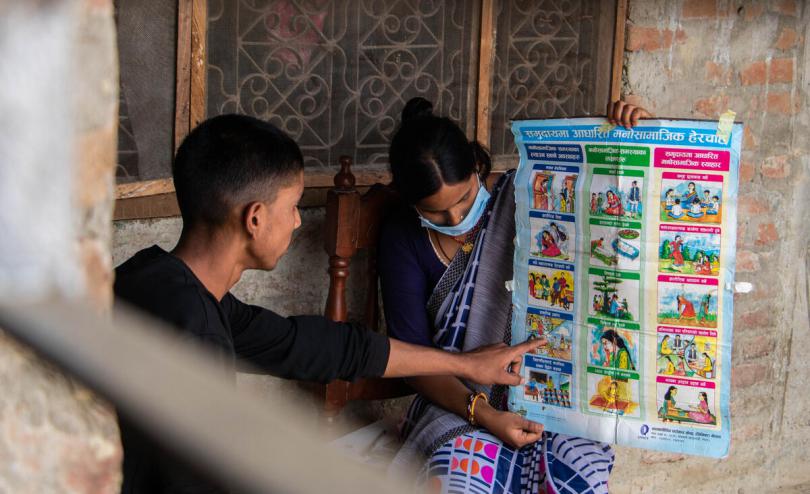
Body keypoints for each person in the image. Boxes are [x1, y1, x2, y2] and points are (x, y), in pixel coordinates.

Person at [114, 114, 541, 494]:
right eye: (293, 207)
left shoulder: (164, 282)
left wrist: (465, 366)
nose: (299, 221)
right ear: (256, 218)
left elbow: (319, 346)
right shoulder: (195, 332)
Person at [378, 97, 649, 493]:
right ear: (410, 201)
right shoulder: (404, 238)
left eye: (464, 199)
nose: (455, 219)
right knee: (463, 481)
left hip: (554, 402)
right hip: (458, 402)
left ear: (476, 165)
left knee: (574, 479)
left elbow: (613, 209)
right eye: (435, 213)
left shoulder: (527, 196)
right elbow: (414, 358)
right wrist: (484, 414)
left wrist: (631, 136)